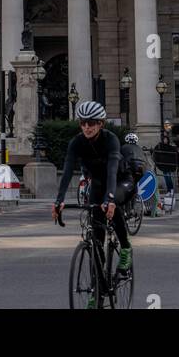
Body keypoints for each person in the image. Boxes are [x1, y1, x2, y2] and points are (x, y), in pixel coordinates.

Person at [52, 101, 132, 291]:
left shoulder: (110, 139)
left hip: (120, 181)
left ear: (100, 124)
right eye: (83, 123)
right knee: (96, 242)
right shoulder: (77, 143)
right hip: (97, 185)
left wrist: (110, 198)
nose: (87, 127)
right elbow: (67, 171)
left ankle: (126, 247)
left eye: (91, 123)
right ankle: (96, 292)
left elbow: (112, 170)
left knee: (114, 205)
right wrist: (59, 200)